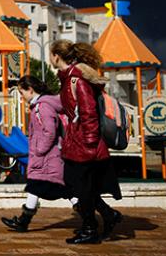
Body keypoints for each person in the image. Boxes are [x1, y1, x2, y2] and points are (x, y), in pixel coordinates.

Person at [49, 39, 123, 244]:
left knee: (81, 188)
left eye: (51, 54)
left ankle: (91, 228)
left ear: (56, 55)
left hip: (85, 145)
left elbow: (88, 112)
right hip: (76, 142)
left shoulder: (76, 80)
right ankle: (107, 216)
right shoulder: (67, 78)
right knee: (75, 187)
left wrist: (89, 142)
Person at [1, 75, 78, 232]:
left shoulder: (41, 107)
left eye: (22, 93)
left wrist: (39, 150)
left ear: (30, 90)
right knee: (60, 189)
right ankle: (91, 217)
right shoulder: (42, 106)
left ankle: (23, 222)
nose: (22, 98)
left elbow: (49, 131)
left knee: (37, 186)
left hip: (47, 157)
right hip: (49, 157)